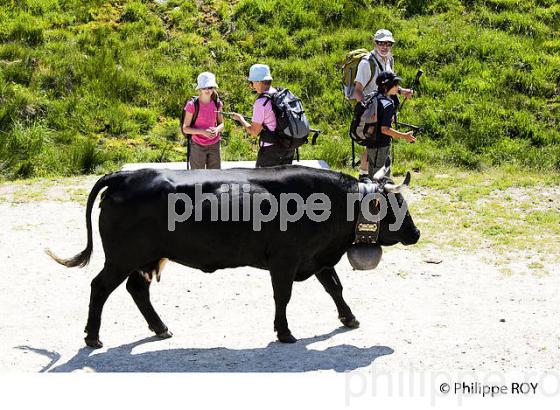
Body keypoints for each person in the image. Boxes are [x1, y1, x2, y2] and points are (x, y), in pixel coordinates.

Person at [354, 29, 413, 179]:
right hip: (372, 111)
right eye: (381, 43)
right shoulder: (366, 63)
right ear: (375, 43)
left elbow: (389, 83)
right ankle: (365, 176)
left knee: (376, 144)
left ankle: (365, 176)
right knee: (373, 143)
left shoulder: (389, 59)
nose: (384, 46)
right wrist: (368, 111)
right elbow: (357, 91)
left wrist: (401, 91)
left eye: (388, 43)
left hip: (385, 108)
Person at [231, 64, 295, 167]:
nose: (251, 86)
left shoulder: (261, 102)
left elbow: (254, 131)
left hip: (271, 151)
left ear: (258, 81)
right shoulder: (280, 94)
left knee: (263, 182)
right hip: (288, 147)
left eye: (251, 82)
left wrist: (240, 119)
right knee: (282, 182)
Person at [367, 71, 416, 178]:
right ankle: (380, 195)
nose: (397, 87)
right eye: (395, 85)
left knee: (372, 174)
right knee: (381, 176)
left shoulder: (374, 96)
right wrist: (405, 136)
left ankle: (370, 194)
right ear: (386, 87)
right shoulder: (387, 104)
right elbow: (385, 129)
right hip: (381, 145)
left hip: (370, 142)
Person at [182, 72, 224, 169]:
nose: (208, 90)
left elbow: (221, 124)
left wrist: (217, 130)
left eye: (210, 87)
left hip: (215, 144)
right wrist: (202, 132)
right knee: (197, 177)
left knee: (214, 177)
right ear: (200, 89)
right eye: (205, 87)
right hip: (197, 145)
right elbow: (185, 128)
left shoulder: (217, 104)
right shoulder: (192, 105)